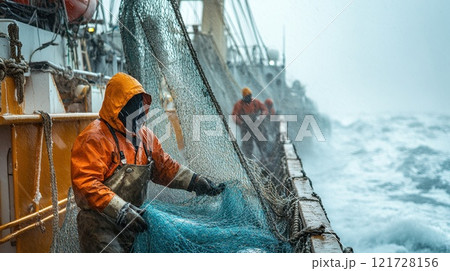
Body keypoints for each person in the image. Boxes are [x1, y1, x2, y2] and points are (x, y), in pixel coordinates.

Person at [71, 72, 225, 253]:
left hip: (133, 223)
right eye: (132, 110)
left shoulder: (145, 136)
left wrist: (195, 181)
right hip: (100, 227)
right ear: (117, 109)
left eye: (141, 109)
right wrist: (120, 210)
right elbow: (86, 185)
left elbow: (164, 167)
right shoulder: (94, 138)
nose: (140, 115)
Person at [231, 87, 268, 158]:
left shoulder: (256, 102)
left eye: (250, 96)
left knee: (261, 140)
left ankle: (264, 156)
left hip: (255, 125)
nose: (249, 98)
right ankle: (247, 158)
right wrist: (240, 123)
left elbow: (264, 110)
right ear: (244, 96)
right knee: (247, 144)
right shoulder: (239, 105)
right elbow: (234, 116)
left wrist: (260, 117)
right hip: (245, 127)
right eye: (247, 96)